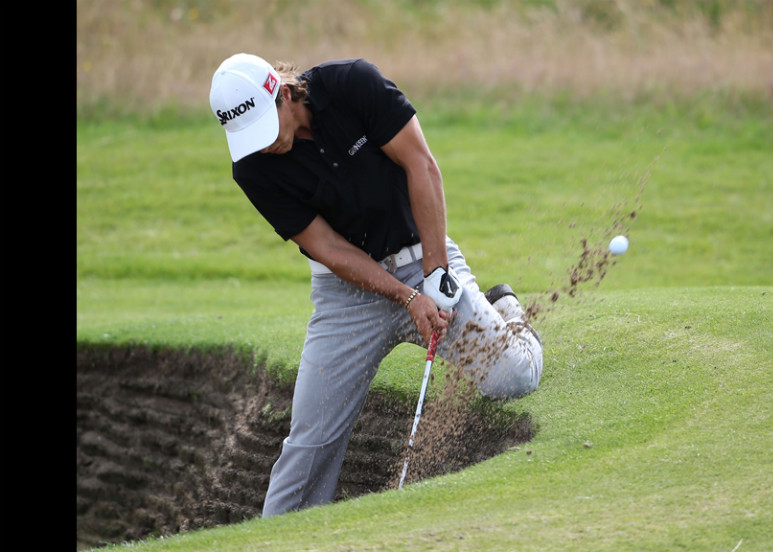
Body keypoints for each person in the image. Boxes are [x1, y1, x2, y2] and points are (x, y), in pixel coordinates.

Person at [208, 53, 543, 517]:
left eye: (267, 129)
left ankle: (507, 312)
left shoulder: (352, 84)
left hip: (421, 256)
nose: (264, 146)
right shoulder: (252, 168)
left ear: (283, 93)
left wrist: (434, 275)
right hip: (347, 297)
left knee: (513, 377)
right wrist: (406, 298)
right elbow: (326, 246)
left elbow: (421, 166)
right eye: (249, 138)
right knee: (309, 443)